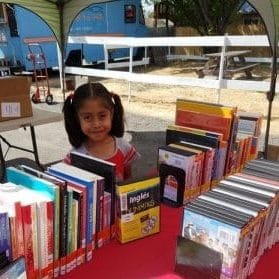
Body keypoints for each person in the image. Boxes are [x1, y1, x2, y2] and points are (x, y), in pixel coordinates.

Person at [63, 82, 138, 182]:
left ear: (111, 114)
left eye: (102, 116)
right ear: (77, 119)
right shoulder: (74, 158)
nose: (96, 124)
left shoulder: (124, 148)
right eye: (87, 117)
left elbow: (128, 181)